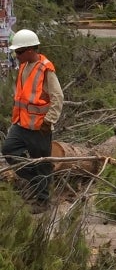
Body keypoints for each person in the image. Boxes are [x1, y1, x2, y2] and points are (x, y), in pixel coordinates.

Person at [2, 29, 64, 214]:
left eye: (19, 52)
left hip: (39, 128)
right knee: (8, 151)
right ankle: (38, 182)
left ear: (30, 50)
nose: (17, 55)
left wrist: (49, 120)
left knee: (42, 163)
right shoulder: (24, 65)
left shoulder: (46, 69)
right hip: (21, 125)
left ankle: (43, 200)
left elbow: (58, 96)